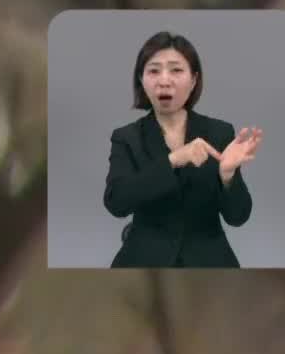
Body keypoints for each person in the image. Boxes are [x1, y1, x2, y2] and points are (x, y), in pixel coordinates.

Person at [103, 31, 263, 267]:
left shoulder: (219, 133)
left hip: (209, 263)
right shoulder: (127, 138)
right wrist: (173, 160)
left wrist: (228, 176)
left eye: (176, 70)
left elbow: (238, 217)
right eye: (154, 71)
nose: (164, 80)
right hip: (144, 261)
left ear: (194, 79)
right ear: (141, 79)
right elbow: (116, 202)